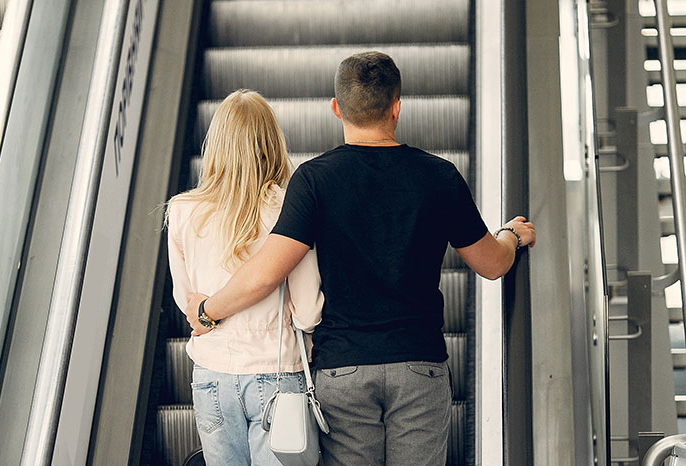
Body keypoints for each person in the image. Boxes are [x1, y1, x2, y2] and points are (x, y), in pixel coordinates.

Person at [186, 52, 536, 465]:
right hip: (419, 365)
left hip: (343, 370)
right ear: (397, 106)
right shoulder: (440, 177)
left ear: (336, 108)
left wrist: (208, 311)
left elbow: (266, 272)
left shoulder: (314, 180)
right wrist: (511, 236)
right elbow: (492, 264)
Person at [166, 89, 323, 466]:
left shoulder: (184, 211)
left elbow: (187, 299)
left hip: (210, 374)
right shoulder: (290, 207)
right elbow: (307, 313)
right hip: (276, 373)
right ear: (271, 143)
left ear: (217, 144)